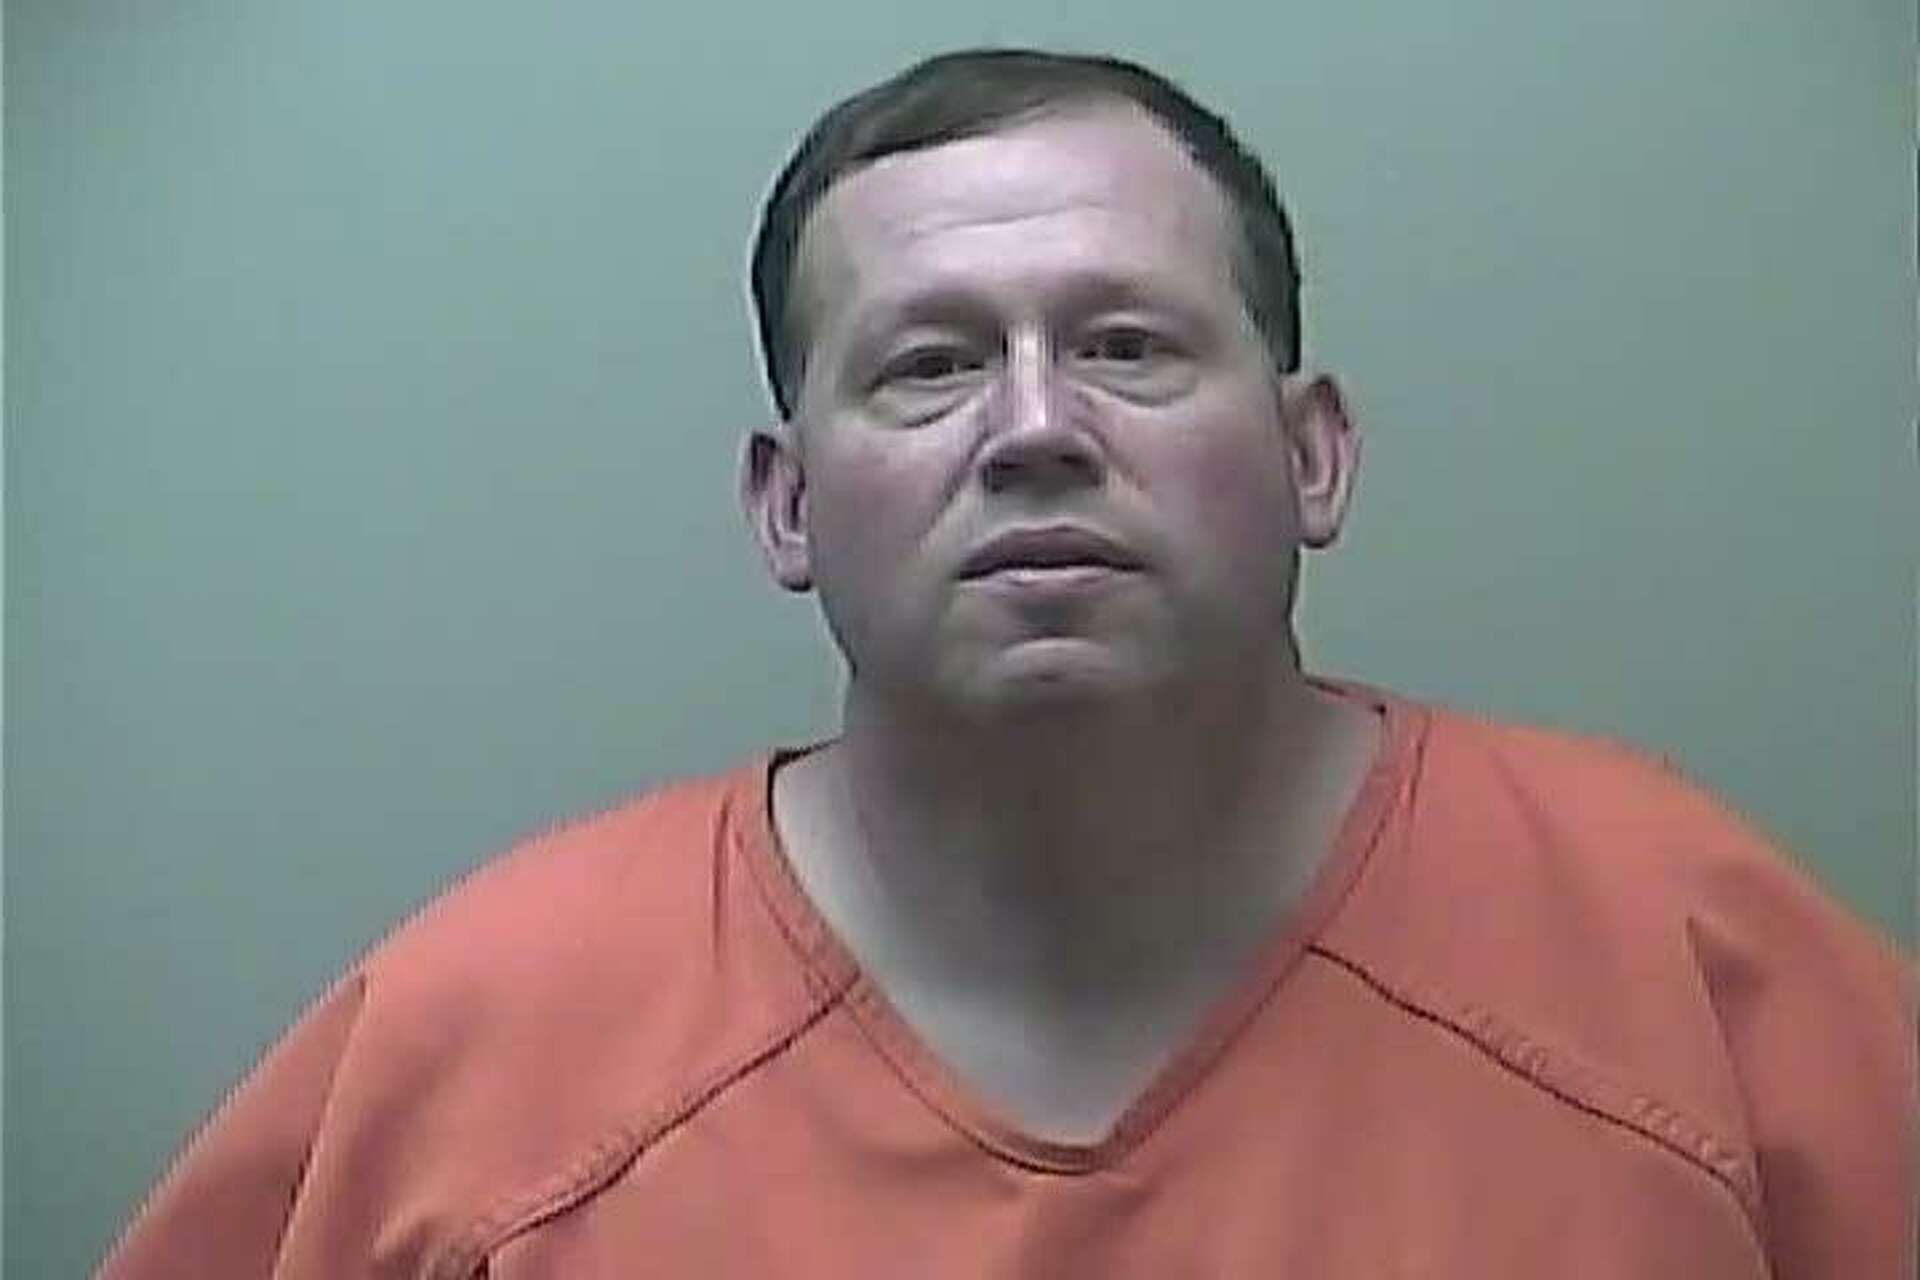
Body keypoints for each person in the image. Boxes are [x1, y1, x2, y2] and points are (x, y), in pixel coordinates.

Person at [98, 48, 1913, 1279]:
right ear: (788, 503)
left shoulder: (1687, 962)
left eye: (1126, 347)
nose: (1036, 430)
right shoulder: (471, 1060)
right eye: (930, 365)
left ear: (1312, 456)